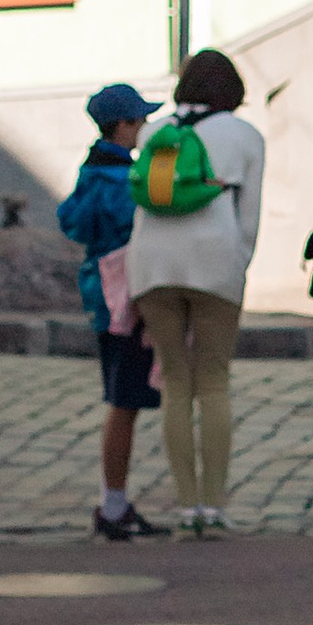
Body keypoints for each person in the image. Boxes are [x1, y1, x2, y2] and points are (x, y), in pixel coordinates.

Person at [125, 46, 266, 539]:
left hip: (150, 265)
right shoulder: (245, 135)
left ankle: (185, 504)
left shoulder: (154, 131)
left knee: (175, 384)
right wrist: (238, 265)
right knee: (214, 381)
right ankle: (215, 502)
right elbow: (248, 219)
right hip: (215, 264)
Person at [56, 79, 165, 542]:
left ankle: (115, 502)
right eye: (138, 119)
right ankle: (112, 505)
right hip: (125, 298)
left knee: (122, 400)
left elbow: (70, 221)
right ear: (121, 126)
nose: (143, 126)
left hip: (100, 295)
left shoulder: (90, 172)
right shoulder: (123, 179)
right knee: (123, 403)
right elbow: (138, 229)